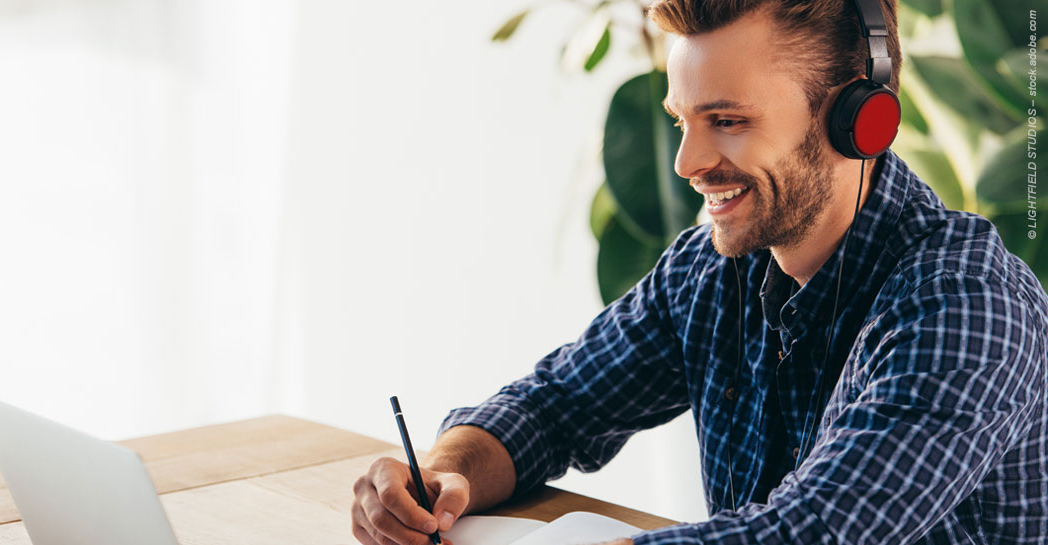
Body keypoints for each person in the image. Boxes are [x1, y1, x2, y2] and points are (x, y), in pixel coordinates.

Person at [351, 1, 1048, 544]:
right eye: (682, 120)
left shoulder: (969, 305)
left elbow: (813, 532)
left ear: (859, 122)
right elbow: (555, 406)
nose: (686, 162)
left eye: (727, 120)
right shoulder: (713, 272)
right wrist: (447, 472)